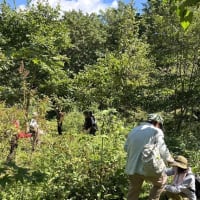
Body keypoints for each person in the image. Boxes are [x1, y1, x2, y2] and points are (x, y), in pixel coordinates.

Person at [124, 113, 174, 200]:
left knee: (133, 190)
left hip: (132, 168)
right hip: (149, 169)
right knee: (162, 181)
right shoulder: (156, 131)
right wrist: (170, 160)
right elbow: (162, 149)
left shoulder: (134, 130)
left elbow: (126, 148)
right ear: (157, 123)